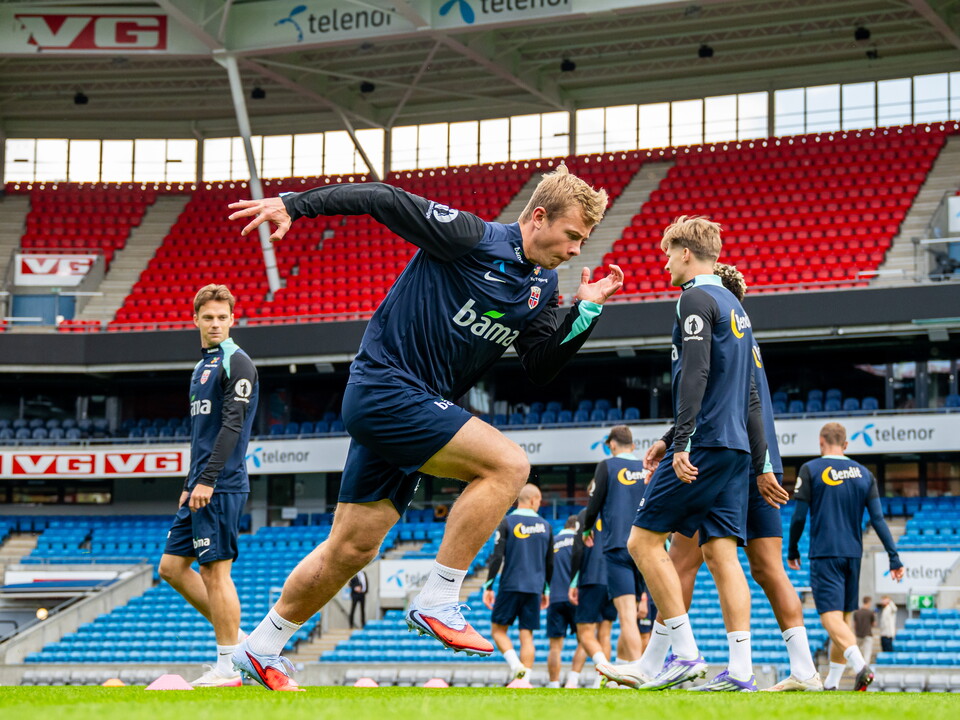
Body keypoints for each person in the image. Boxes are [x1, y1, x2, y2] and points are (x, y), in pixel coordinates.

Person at [227, 167, 622, 690]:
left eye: (584, 241)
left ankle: (261, 647)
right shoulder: (472, 238)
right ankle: (439, 597)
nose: (576, 251)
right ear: (538, 217)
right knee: (509, 465)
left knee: (353, 547)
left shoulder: (542, 286)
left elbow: (541, 366)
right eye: (572, 235)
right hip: (384, 388)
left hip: (414, 407)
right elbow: (382, 197)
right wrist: (295, 205)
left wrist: (586, 309)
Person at [615, 263, 822, 691]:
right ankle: (799, 669)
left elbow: (710, 390)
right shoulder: (747, 340)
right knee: (764, 568)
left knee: (680, 560)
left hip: (730, 454)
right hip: (757, 455)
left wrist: (681, 440)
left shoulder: (714, 325)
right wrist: (766, 464)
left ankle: (662, 660)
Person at [599, 217, 771, 692]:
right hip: (732, 446)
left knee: (641, 543)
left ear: (687, 254)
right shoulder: (734, 304)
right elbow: (740, 389)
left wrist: (681, 442)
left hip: (706, 445)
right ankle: (734, 670)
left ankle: (687, 654)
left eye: (668, 253)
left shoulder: (694, 297)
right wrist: (674, 434)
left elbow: (694, 374)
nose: (665, 262)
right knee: (711, 553)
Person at [157, 284, 259, 688]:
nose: (215, 324)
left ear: (232, 320)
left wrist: (207, 480)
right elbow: (201, 433)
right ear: (195, 320)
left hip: (220, 485)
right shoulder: (202, 367)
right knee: (171, 568)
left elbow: (233, 427)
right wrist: (189, 483)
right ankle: (240, 642)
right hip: (198, 486)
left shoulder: (238, 362)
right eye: (208, 317)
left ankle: (229, 666)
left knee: (216, 572)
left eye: (222, 317)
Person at [788, 422, 905, 691]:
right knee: (844, 619)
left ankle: (861, 666)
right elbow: (877, 519)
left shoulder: (811, 469)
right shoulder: (865, 474)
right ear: (846, 444)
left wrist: (792, 549)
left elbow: (798, 517)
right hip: (853, 553)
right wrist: (894, 557)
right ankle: (832, 684)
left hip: (825, 552)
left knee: (829, 617)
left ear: (821, 442)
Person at [580, 425, 647, 662]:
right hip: (646, 548)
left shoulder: (607, 465)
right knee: (641, 617)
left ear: (612, 445)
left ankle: (640, 671)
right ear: (634, 445)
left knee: (627, 616)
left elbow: (594, 503)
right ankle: (625, 666)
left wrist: (587, 528)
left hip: (618, 546)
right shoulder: (646, 467)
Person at [482, 484, 553, 681]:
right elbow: (550, 563)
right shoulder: (546, 526)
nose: (539, 504)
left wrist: (488, 586)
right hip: (535, 588)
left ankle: (515, 665)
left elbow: (496, 557)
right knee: (526, 634)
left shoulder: (507, 522)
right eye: (539, 501)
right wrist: (546, 589)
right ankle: (524, 681)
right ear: (532, 500)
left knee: (498, 630)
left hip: (511, 584)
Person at [569, 508, 617, 688]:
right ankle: (600, 681)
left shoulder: (585, 514)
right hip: (615, 578)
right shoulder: (616, 512)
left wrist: (573, 582)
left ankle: (606, 669)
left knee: (584, 632)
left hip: (592, 576)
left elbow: (578, 549)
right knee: (605, 633)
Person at [545, 515, 586, 688]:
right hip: (578, 597)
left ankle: (554, 684)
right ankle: (572, 680)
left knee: (555, 646)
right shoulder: (581, 541)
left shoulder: (552, 542)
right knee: (585, 640)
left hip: (555, 597)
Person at [853, 596, 876, 663]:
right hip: (868, 634)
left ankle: (856, 668)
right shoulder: (870, 613)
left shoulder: (857, 612)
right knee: (867, 654)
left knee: (856, 653)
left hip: (858, 635)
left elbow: (854, 624)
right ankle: (865, 670)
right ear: (868, 602)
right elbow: (874, 624)